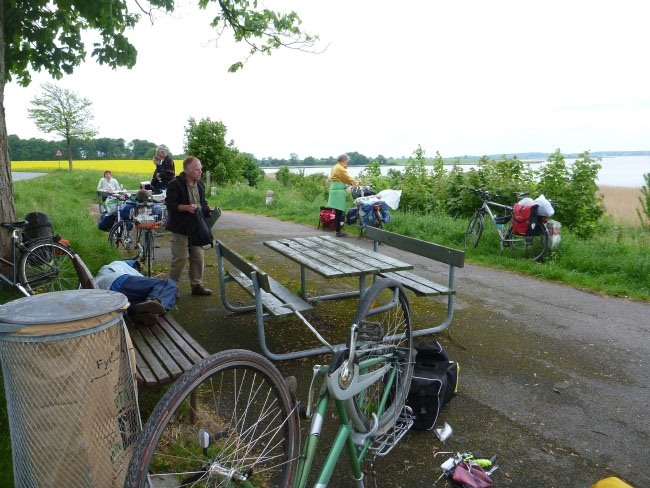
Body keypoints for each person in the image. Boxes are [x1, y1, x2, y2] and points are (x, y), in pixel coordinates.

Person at [165, 156, 213, 296]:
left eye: (201, 169)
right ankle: (172, 288)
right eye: (197, 170)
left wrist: (207, 211)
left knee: (198, 257)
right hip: (180, 227)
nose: (200, 172)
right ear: (187, 171)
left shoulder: (200, 184)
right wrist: (185, 207)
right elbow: (170, 205)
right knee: (180, 258)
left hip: (197, 227)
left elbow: (202, 202)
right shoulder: (175, 184)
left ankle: (197, 286)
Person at [95, 260, 178, 327]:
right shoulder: (120, 265)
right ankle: (155, 301)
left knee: (145, 300)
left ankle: (142, 314)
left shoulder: (106, 270)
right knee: (168, 283)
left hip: (112, 300)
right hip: (117, 282)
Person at [326, 153, 359, 237]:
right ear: (344, 160)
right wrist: (357, 182)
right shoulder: (341, 168)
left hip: (335, 189)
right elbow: (348, 178)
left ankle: (338, 229)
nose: (347, 163)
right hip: (338, 191)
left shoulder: (335, 167)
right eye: (347, 161)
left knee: (338, 211)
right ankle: (338, 230)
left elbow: (341, 179)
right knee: (339, 212)